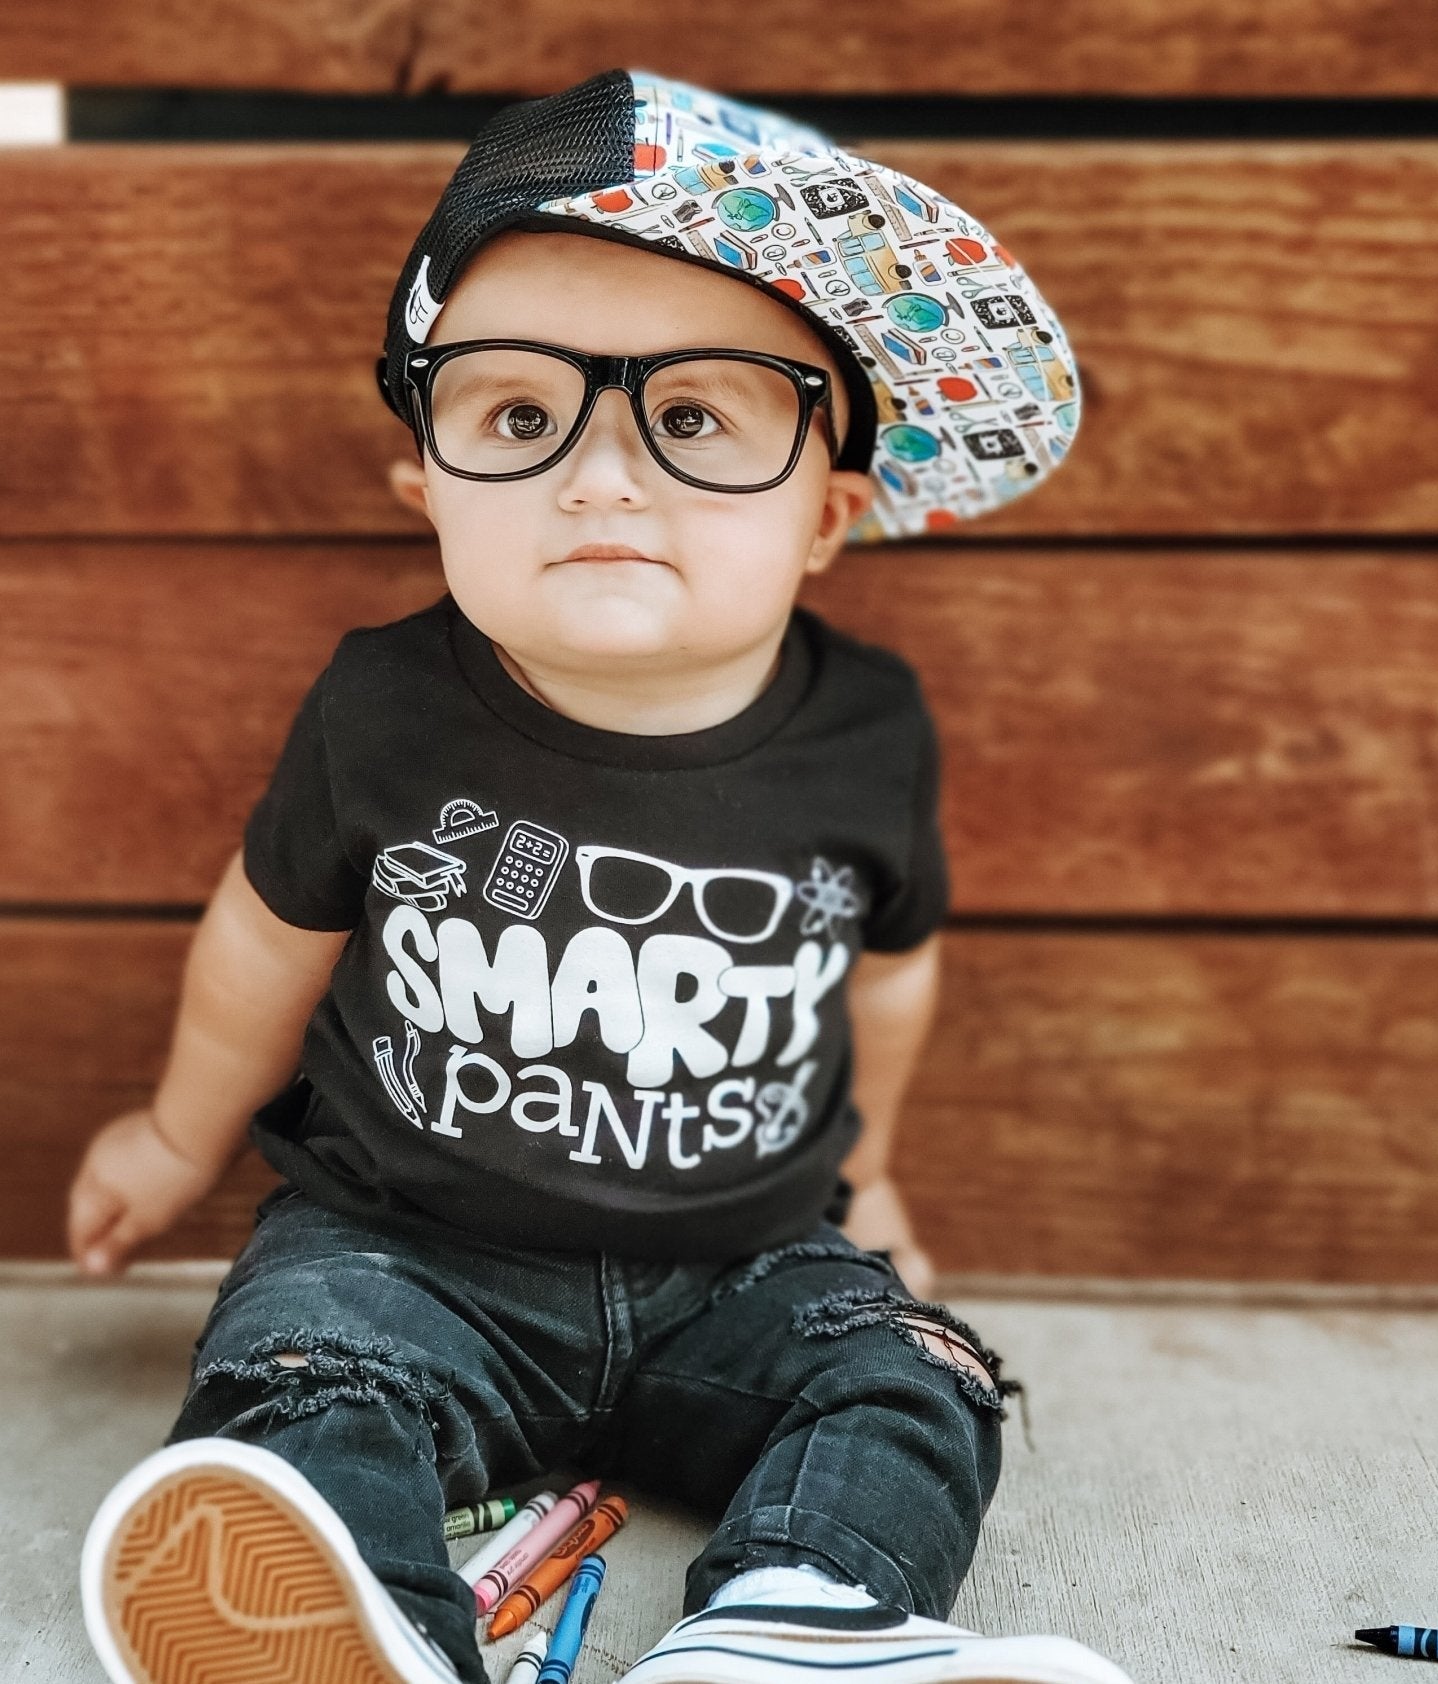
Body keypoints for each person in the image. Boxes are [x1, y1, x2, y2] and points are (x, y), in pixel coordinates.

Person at [68, 68, 1132, 1684]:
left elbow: (892, 970)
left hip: (748, 1260)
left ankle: (801, 1616)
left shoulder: (868, 731)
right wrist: (172, 1135)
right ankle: (368, 1624)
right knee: (301, 1372)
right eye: (518, 414)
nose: (602, 472)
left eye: (694, 416)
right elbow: (264, 940)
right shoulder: (387, 706)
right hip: (405, 1244)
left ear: (830, 516)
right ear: (429, 490)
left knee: (913, 1373)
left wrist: (883, 1175)